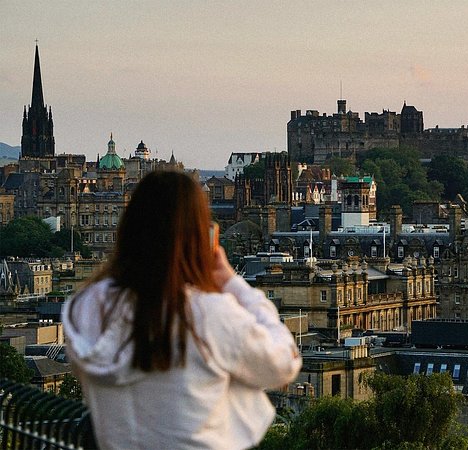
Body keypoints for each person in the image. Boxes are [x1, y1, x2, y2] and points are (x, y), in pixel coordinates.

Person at [63, 170, 301, 449]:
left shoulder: (87, 306)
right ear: (200, 236)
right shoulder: (206, 313)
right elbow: (284, 363)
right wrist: (230, 281)